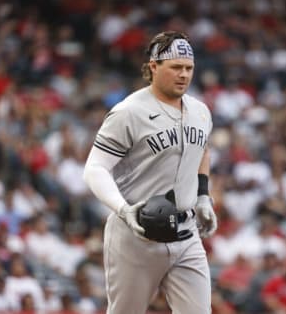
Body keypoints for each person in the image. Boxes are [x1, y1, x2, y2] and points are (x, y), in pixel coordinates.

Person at [83, 31, 217, 314]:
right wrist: (122, 209)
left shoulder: (200, 111)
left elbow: (201, 149)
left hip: (186, 232)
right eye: (175, 67)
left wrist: (203, 196)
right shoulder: (128, 112)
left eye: (189, 68)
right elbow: (95, 168)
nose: (184, 75)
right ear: (153, 66)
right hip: (138, 232)